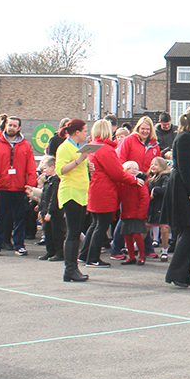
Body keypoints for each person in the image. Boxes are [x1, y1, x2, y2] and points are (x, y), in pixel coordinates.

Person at [163, 108, 190, 288]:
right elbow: (183, 168)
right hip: (184, 187)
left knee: (189, 231)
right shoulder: (184, 138)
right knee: (189, 230)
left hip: (189, 184)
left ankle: (185, 272)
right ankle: (176, 273)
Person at [82, 121, 133, 269]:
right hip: (104, 190)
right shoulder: (105, 149)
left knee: (95, 224)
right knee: (101, 225)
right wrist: (133, 179)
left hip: (94, 188)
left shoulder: (91, 146)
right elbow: (117, 173)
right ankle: (93, 258)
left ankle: (85, 254)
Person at [0, 115, 37, 256]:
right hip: (2, 187)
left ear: (19, 128)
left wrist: (30, 185)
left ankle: (19, 245)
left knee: (19, 218)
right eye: (10, 125)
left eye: (14, 126)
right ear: (5, 126)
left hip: (19, 188)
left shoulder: (25, 146)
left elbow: (31, 167)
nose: (12, 128)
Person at [53, 120, 92, 282]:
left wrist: (87, 166)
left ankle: (73, 267)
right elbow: (60, 170)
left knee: (75, 233)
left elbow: (79, 166)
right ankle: (70, 269)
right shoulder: (64, 147)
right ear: (76, 132)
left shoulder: (76, 147)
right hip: (71, 193)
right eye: (84, 131)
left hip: (81, 193)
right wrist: (79, 160)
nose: (85, 133)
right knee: (73, 233)